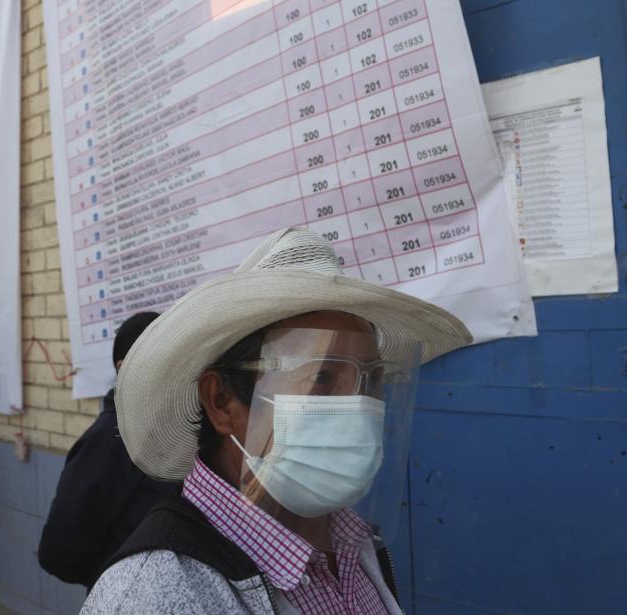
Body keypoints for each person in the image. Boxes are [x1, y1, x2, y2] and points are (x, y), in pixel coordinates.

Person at [81, 227, 472, 614]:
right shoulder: (147, 598)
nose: (358, 406)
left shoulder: (355, 547)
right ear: (222, 402)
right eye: (322, 377)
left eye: (372, 380)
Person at [38, 311, 178, 590]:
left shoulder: (175, 434)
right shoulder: (108, 440)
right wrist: (111, 578)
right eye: (160, 359)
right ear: (124, 367)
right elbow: (59, 550)